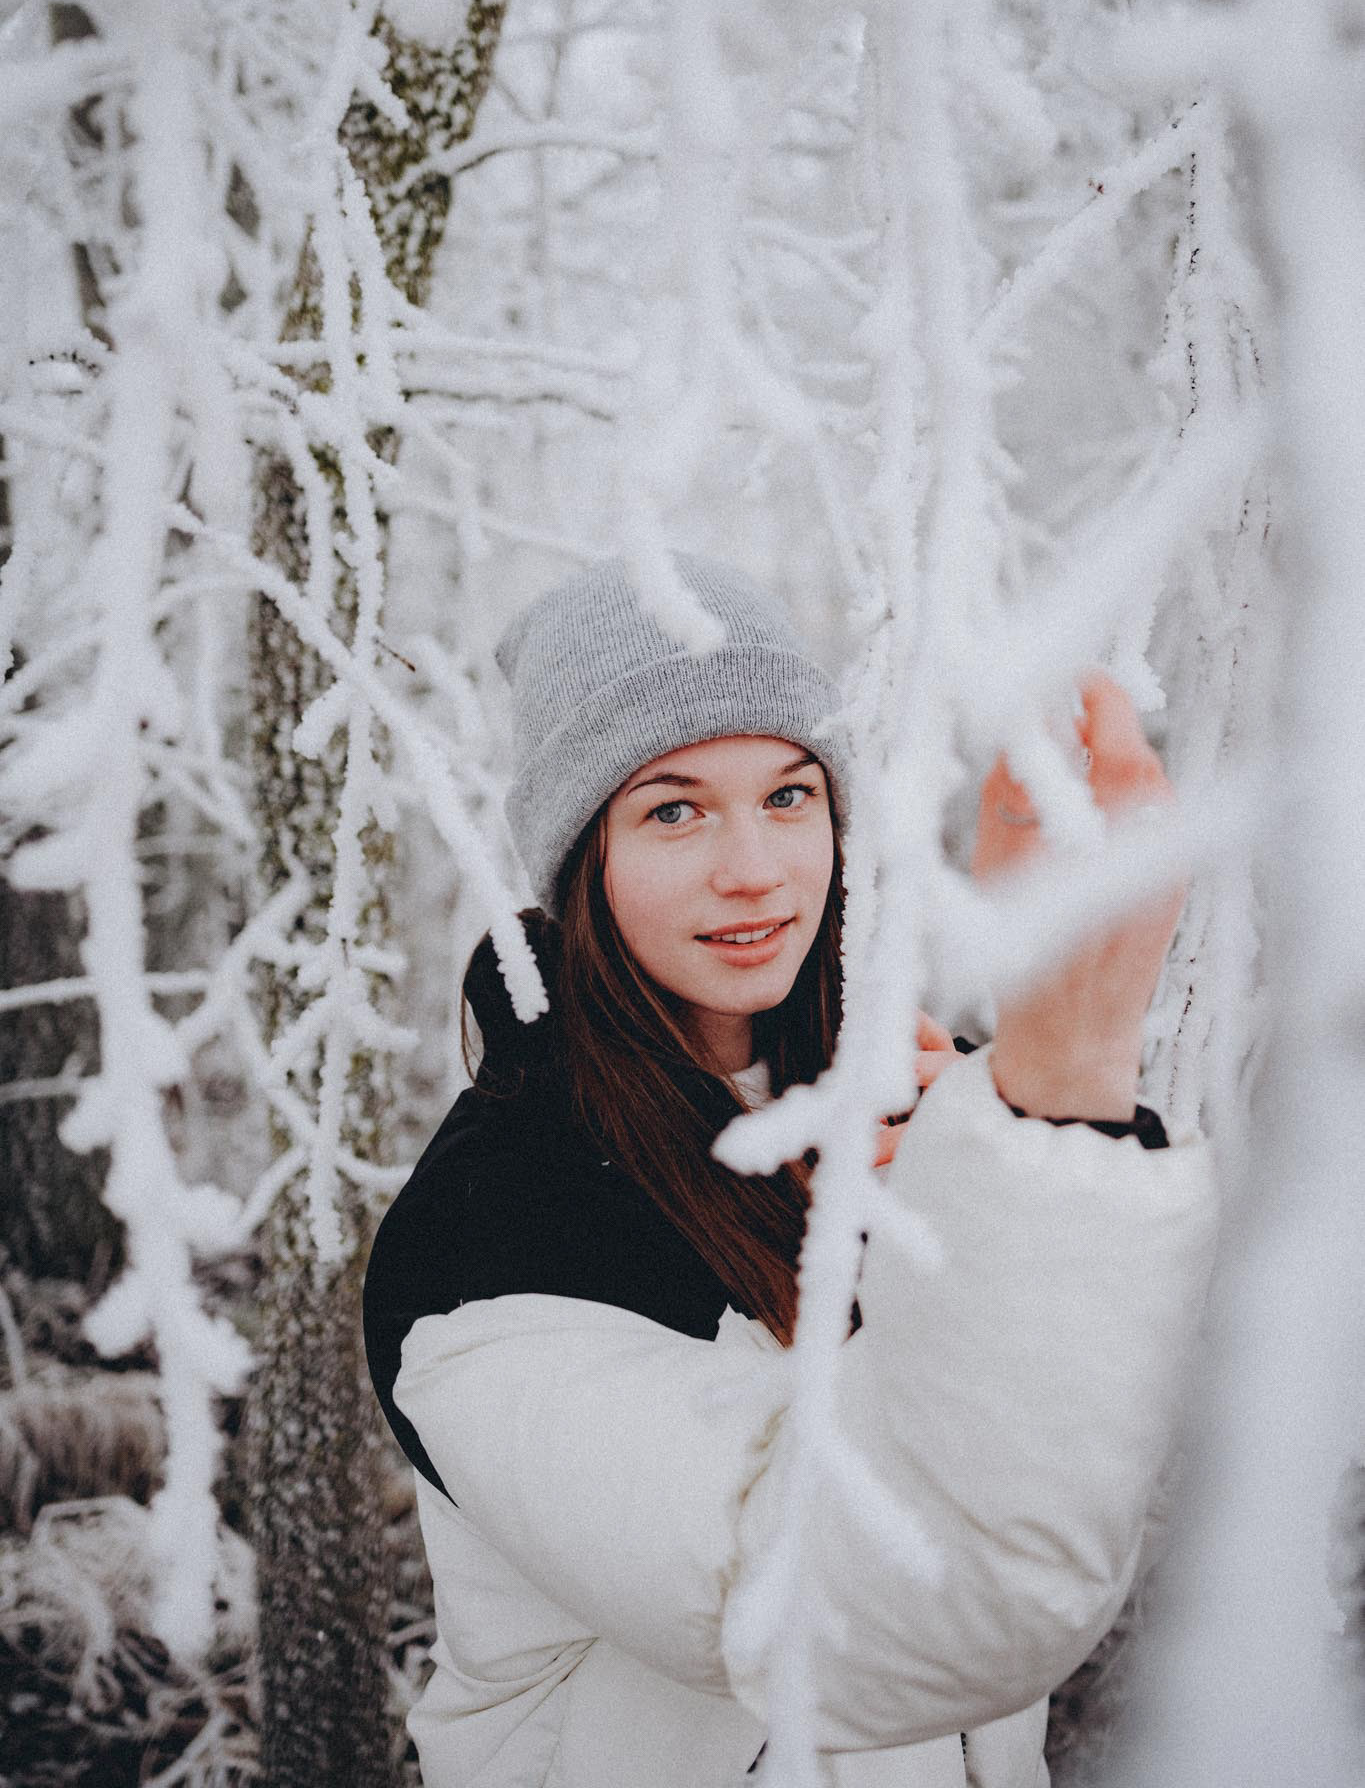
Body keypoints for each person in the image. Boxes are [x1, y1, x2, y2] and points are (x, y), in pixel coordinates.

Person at [363, 553, 1216, 1788]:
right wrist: (1068, 1080)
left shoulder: (918, 1105)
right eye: (674, 809)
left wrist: (984, 1185)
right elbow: (885, 1617)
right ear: (580, 854)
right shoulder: (494, 1233)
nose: (755, 866)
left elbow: (1087, 1461)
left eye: (789, 793)